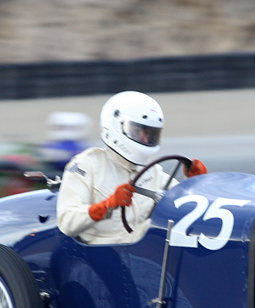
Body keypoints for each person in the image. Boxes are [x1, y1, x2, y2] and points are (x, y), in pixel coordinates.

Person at [56, 91, 207, 245]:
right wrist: (107, 206)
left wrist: (195, 183)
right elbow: (67, 222)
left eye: (150, 134)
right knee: (158, 232)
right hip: (105, 253)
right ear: (115, 127)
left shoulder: (151, 170)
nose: (145, 139)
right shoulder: (86, 165)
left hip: (144, 250)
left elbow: (181, 206)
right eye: (138, 132)